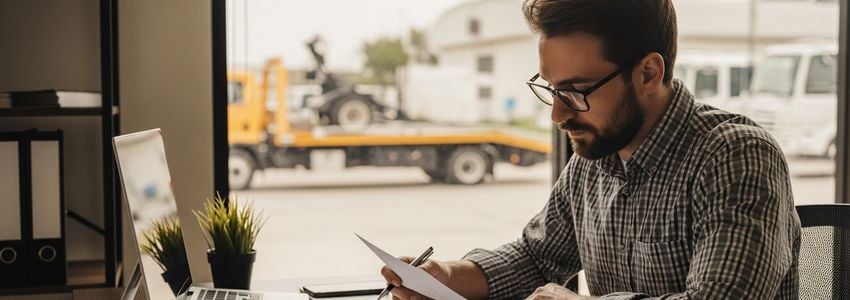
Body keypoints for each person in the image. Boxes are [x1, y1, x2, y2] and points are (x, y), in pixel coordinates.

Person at [380, 0, 801, 299]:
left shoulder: (737, 156)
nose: (557, 114)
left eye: (577, 91)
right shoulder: (597, 153)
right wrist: (447, 277)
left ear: (649, 73)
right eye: (551, 89)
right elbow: (537, 257)